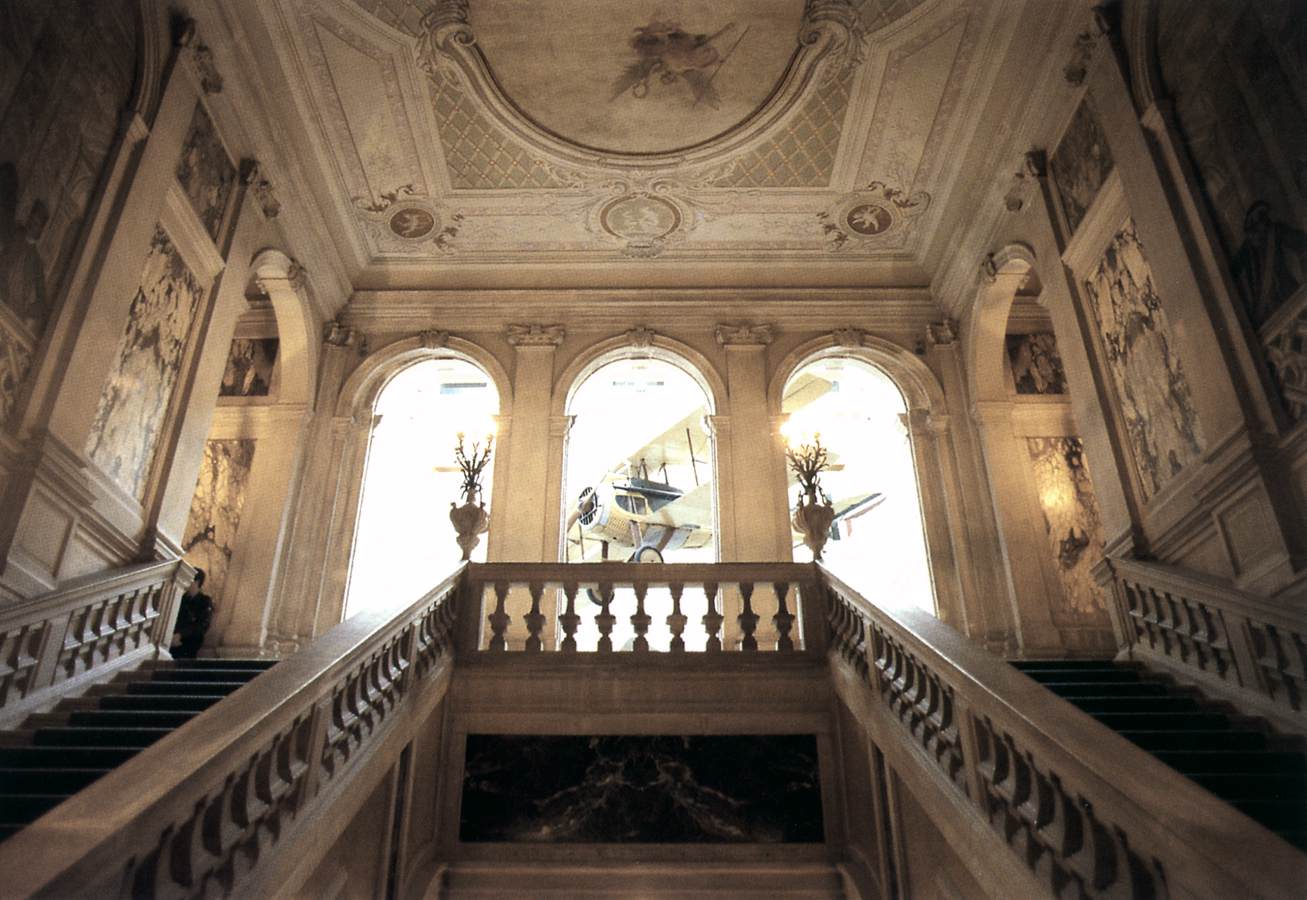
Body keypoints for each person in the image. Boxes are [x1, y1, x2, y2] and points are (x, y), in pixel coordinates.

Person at [173, 569, 214, 659]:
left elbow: (202, 625)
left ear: (197, 582)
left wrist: (181, 634)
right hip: (174, 639)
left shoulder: (204, 601)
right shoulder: (181, 599)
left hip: (191, 640)